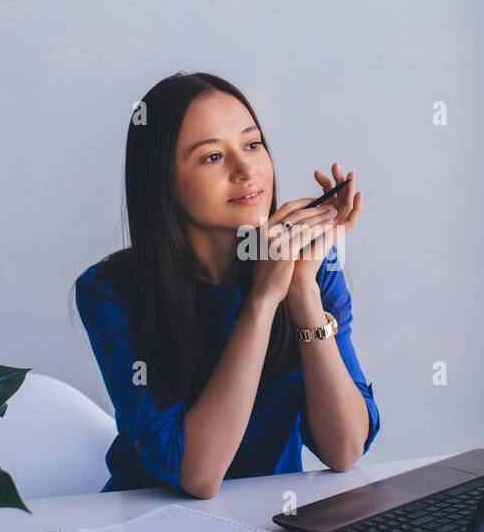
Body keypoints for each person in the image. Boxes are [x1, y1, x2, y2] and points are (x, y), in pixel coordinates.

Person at [72, 71, 380, 497]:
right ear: (162, 181)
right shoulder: (109, 292)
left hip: (273, 521)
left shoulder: (311, 264)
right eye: (212, 157)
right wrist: (262, 300)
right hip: (150, 524)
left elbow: (345, 449)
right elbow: (197, 476)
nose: (245, 169)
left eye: (252, 144)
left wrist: (301, 289)